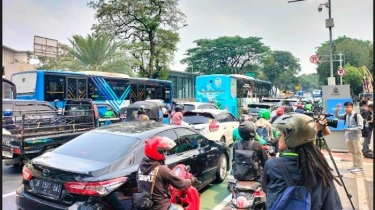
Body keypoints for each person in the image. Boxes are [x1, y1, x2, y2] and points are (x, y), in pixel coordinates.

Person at [262, 113, 342, 210]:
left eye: (281, 135)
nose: (279, 138)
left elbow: (265, 189)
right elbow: (332, 205)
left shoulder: (272, 164)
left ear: (291, 138)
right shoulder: (321, 170)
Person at [136, 136, 198, 210]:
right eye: (163, 151)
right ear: (157, 152)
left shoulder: (141, 166)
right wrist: (193, 179)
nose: (164, 154)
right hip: (161, 207)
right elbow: (181, 184)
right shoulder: (161, 169)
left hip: (145, 204)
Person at [334, 101, 364, 173]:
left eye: (348, 107)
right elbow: (337, 116)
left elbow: (360, 127)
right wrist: (337, 110)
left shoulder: (357, 116)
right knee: (353, 152)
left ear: (352, 107)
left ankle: (360, 167)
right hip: (348, 137)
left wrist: (350, 129)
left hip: (356, 137)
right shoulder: (346, 115)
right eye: (345, 107)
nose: (346, 109)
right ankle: (355, 166)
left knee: (358, 152)